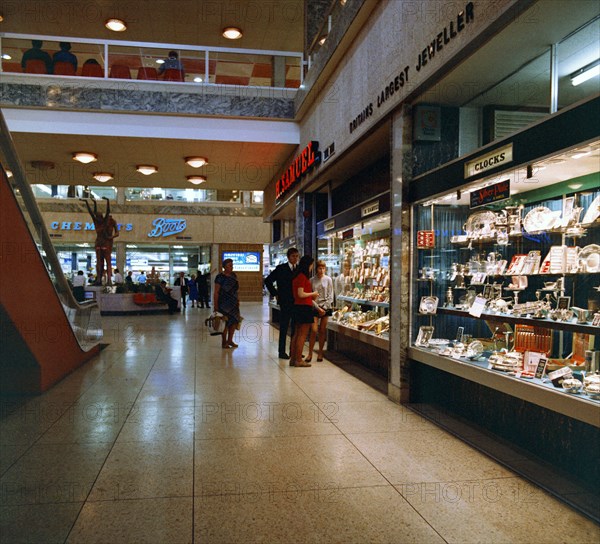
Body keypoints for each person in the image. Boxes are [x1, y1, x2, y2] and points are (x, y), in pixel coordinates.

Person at [264, 247, 300, 359]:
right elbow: (268, 280)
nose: (295, 258)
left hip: (297, 302)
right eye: (293, 256)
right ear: (288, 257)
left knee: (296, 327)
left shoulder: (299, 269)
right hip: (285, 302)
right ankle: (281, 351)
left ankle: (293, 350)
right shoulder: (281, 268)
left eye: (297, 256)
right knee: (284, 327)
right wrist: (275, 293)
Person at [81, 197, 119, 285]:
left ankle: (100, 279)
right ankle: (106, 279)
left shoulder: (97, 222)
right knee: (106, 261)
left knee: (100, 261)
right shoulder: (104, 222)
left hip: (99, 243)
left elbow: (92, 213)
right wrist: (106, 201)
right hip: (104, 243)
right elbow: (99, 212)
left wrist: (90, 202)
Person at [289, 256, 318, 367]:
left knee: (296, 334)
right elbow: (301, 294)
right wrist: (313, 294)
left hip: (297, 307)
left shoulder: (297, 276)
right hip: (304, 307)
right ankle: (298, 360)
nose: (312, 267)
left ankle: (293, 359)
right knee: (302, 335)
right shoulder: (302, 277)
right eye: (311, 265)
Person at [305, 260, 334, 363]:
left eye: (323, 268)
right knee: (313, 330)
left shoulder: (328, 279)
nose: (321, 270)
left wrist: (325, 307)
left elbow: (331, 295)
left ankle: (320, 352)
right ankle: (310, 353)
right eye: (319, 268)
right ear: (316, 269)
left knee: (322, 330)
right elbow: (310, 297)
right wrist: (318, 308)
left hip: (326, 307)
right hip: (315, 307)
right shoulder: (311, 280)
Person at [213, 258, 241, 349]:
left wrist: (238, 300)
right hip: (223, 303)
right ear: (224, 267)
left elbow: (236, 290)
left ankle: (230, 340)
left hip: (233, 303)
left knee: (234, 322)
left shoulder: (234, 275)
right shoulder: (219, 277)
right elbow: (216, 291)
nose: (231, 267)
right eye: (229, 266)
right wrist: (215, 305)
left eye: (232, 265)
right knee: (224, 323)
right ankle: (224, 342)